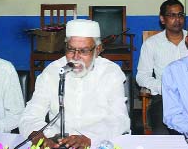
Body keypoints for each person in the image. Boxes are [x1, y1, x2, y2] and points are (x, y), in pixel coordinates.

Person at [19, 19, 130, 149]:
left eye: (84, 51)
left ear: (98, 50)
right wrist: (38, 135)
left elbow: (120, 119)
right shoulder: (52, 72)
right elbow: (30, 116)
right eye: (71, 49)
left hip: (100, 142)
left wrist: (89, 138)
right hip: (57, 143)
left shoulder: (111, 73)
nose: (75, 57)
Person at [136, 0, 188, 134]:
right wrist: (164, 88)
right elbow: (142, 76)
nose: (177, 19)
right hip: (164, 99)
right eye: (172, 15)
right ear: (162, 19)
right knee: (162, 134)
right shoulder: (152, 44)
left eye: (180, 15)